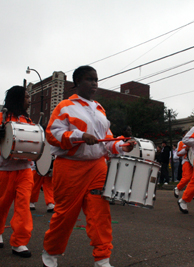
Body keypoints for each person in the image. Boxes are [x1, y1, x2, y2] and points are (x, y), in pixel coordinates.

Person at [41, 66, 133, 267]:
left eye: (96, 80)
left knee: (100, 214)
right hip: (69, 168)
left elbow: (106, 139)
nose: (94, 83)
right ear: (77, 82)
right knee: (65, 215)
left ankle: (102, 258)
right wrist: (80, 136)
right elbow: (52, 135)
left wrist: (122, 146)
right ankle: (51, 252)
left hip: (97, 168)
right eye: (89, 79)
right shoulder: (65, 106)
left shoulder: (100, 109)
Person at [0, 86, 34, 258]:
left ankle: (20, 242)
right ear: (17, 98)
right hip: (3, 170)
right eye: (25, 97)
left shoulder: (28, 121)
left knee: (23, 206)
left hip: (25, 170)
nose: (29, 100)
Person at [173, 131, 194, 200]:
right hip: (186, 161)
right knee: (187, 177)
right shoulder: (181, 143)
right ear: (184, 135)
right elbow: (178, 154)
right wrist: (185, 150)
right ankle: (178, 188)